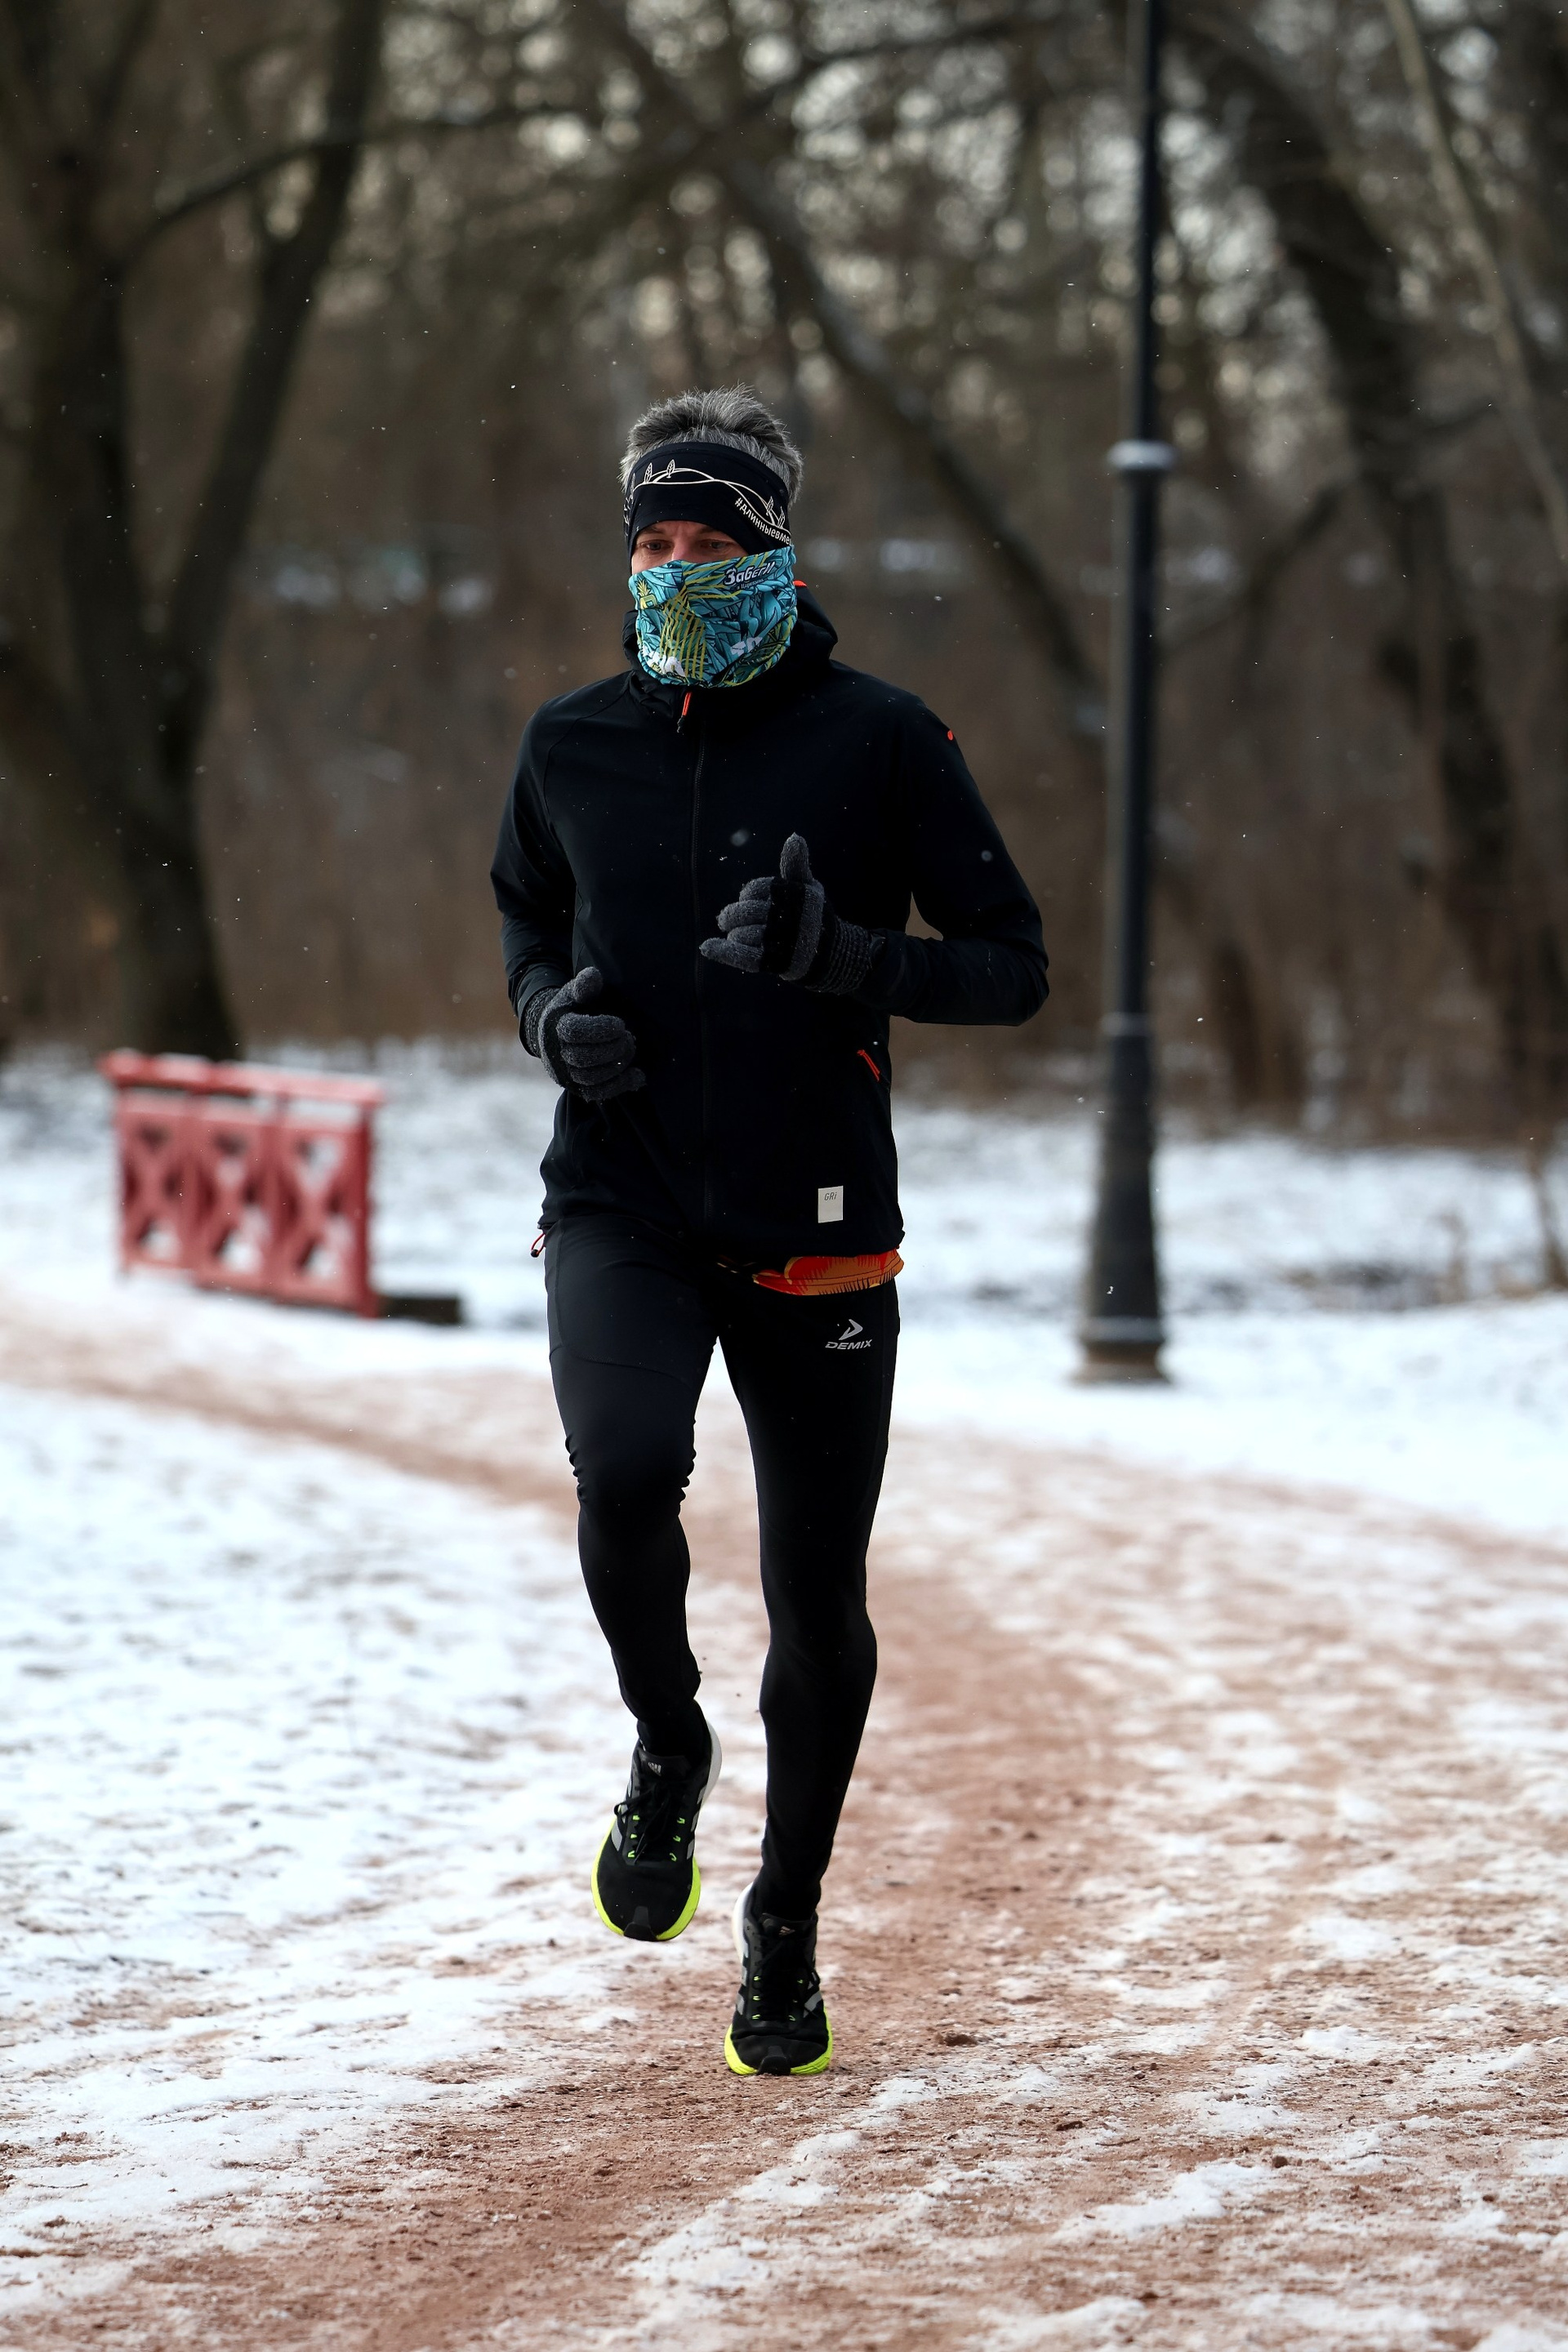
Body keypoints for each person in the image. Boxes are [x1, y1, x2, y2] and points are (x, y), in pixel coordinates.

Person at [491, 385, 1047, 2077]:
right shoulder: (571, 741)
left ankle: (785, 1915)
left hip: (817, 1228)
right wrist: (550, 1021)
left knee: (816, 1600)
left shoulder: (882, 738)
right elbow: (527, 918)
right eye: (652, 541)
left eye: (711, 540)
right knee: (623, 1472)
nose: (677, 567)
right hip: (623, 1194)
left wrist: (853, 961)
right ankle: (668, 1748)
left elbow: (1012, 965)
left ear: (775, 552)